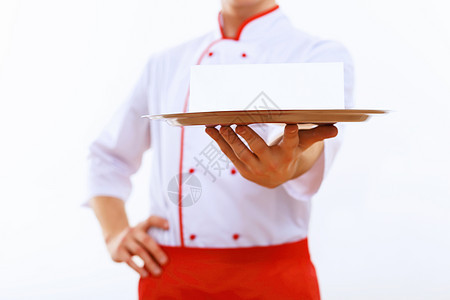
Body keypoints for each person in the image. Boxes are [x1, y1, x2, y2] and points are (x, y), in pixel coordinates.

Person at [86, 0, 354, 298]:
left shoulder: (318, 56)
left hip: (272, 279)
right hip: (171, 275)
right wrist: (115, 233)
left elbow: (312, 138)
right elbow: (108, 156)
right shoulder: (165, 64)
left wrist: (290, 163)